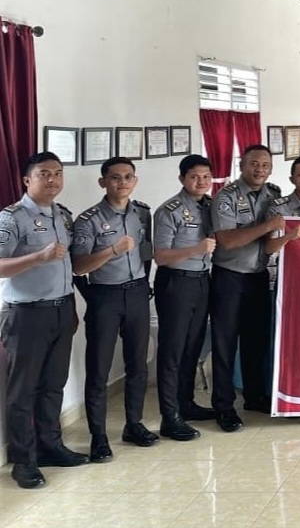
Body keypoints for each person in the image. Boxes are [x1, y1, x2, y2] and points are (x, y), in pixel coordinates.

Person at [0, 152, 88, 489]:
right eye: (44, 174)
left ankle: (51, 446)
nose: (52, 179)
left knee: (53, 384)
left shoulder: (62, 216)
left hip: (60, 309)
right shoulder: (12, 218)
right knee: (23, 390)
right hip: (26, 313)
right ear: (27, 180)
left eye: (57, 173)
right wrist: (38, 257)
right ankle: (24, 461)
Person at [71, 157, 157, 462]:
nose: (122, 182)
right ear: (103, 182)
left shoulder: (142, 213)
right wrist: (112, 250)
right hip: (105, 296)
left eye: (128, 177)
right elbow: (79, 266)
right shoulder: (88, 220)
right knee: (99, 369)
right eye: (115, 177)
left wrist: (144, 283)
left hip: (137, 293)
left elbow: (146, 253)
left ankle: (134, 424)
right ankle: (98, 437)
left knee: (138, 364)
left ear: (135, 180)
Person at [209, 145, 283, 431]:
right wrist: (267, 226)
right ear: (242, 165)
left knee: (256, 342)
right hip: (229, 278)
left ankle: (254, 396)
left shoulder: (273, 194)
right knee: (225, 344)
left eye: (265, 165)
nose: (259, 169)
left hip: (258, 276)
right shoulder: (225, 197)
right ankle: (224, 406)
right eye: (254, 164)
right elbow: (228, 241)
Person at [152, 155, 216, 443]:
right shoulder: (170, 210)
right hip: (176, 282)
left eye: (206, 177)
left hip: (202, 281)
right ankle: (170, 416)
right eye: (194, 177)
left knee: (193, 346)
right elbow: (161, 256)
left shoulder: (211, 206)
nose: (201, 182)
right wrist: (196, 249)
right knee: (173, 350)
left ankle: (186, 403)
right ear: (182, 179)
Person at [264, 157, 300, 255]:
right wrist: (289, 236)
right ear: (292, 179)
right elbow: (269, 248)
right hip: (289, 261)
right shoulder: (278, 209)